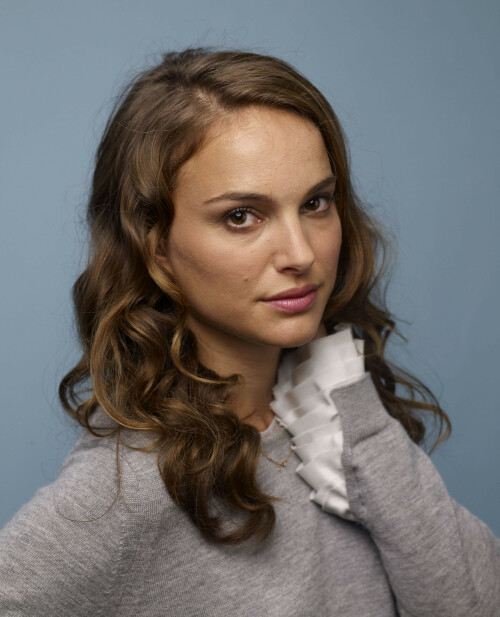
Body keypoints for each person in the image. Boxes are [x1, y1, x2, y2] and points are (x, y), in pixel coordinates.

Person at [0, 47, 499, 617]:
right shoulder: (131, 485)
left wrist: (366, 432)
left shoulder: (337, 418)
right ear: (155, 245)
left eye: (316, 202)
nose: (301, 253)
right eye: (241, 215)